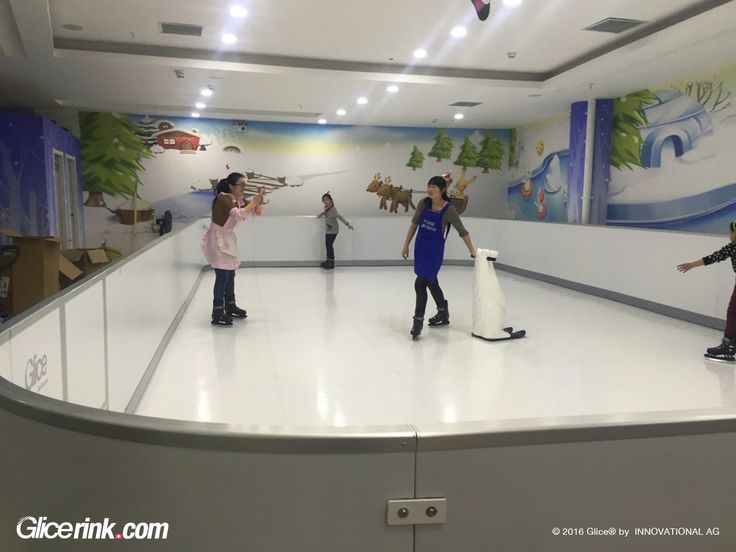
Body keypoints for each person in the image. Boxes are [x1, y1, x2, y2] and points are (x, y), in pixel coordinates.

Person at [401, 174, 476, 340]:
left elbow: (462, 231)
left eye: (434, 186)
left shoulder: (449, 210)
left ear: (442, 190)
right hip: (421, 248)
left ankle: (417, 321)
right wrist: (406, 245)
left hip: (434, 252)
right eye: (429, 186)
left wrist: (473, 250)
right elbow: (414, 224)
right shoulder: (423, 204)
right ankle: (443, 311)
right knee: (430, 281)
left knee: (420, 283)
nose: (430, 189)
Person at [202, 172, 263, 326]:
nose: (243, 188)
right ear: (231, 186)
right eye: (241, 185)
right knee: (222, 276)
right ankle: (217, 312)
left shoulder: (237, 199)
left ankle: (230, 306)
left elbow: (256, 212)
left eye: (244, 185)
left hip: (227, 238)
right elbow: (239, 214)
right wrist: (253, 202)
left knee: (230, 274)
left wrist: (258, 202)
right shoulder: (224, 199)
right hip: (218, 239)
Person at [677, 220, 736, 361]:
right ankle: (730, 344)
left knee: (733, 312)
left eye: (730, 232)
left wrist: (691, 265)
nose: (729, 234)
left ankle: (728, 346)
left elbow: (712, 258)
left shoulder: (733, 247)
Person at [317, 192, 353, 269]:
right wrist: (321, 214)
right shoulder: (328, 208)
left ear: (331, 200)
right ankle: (328, 260)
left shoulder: (333, 209)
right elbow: (326, 213)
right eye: (324, 200)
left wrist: (347, 224)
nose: (325, 201)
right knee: (327, 245)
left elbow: (339, 216)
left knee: (329, 245)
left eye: (327, 200)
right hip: (329, 229)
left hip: (333, 230)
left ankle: (331, 262)